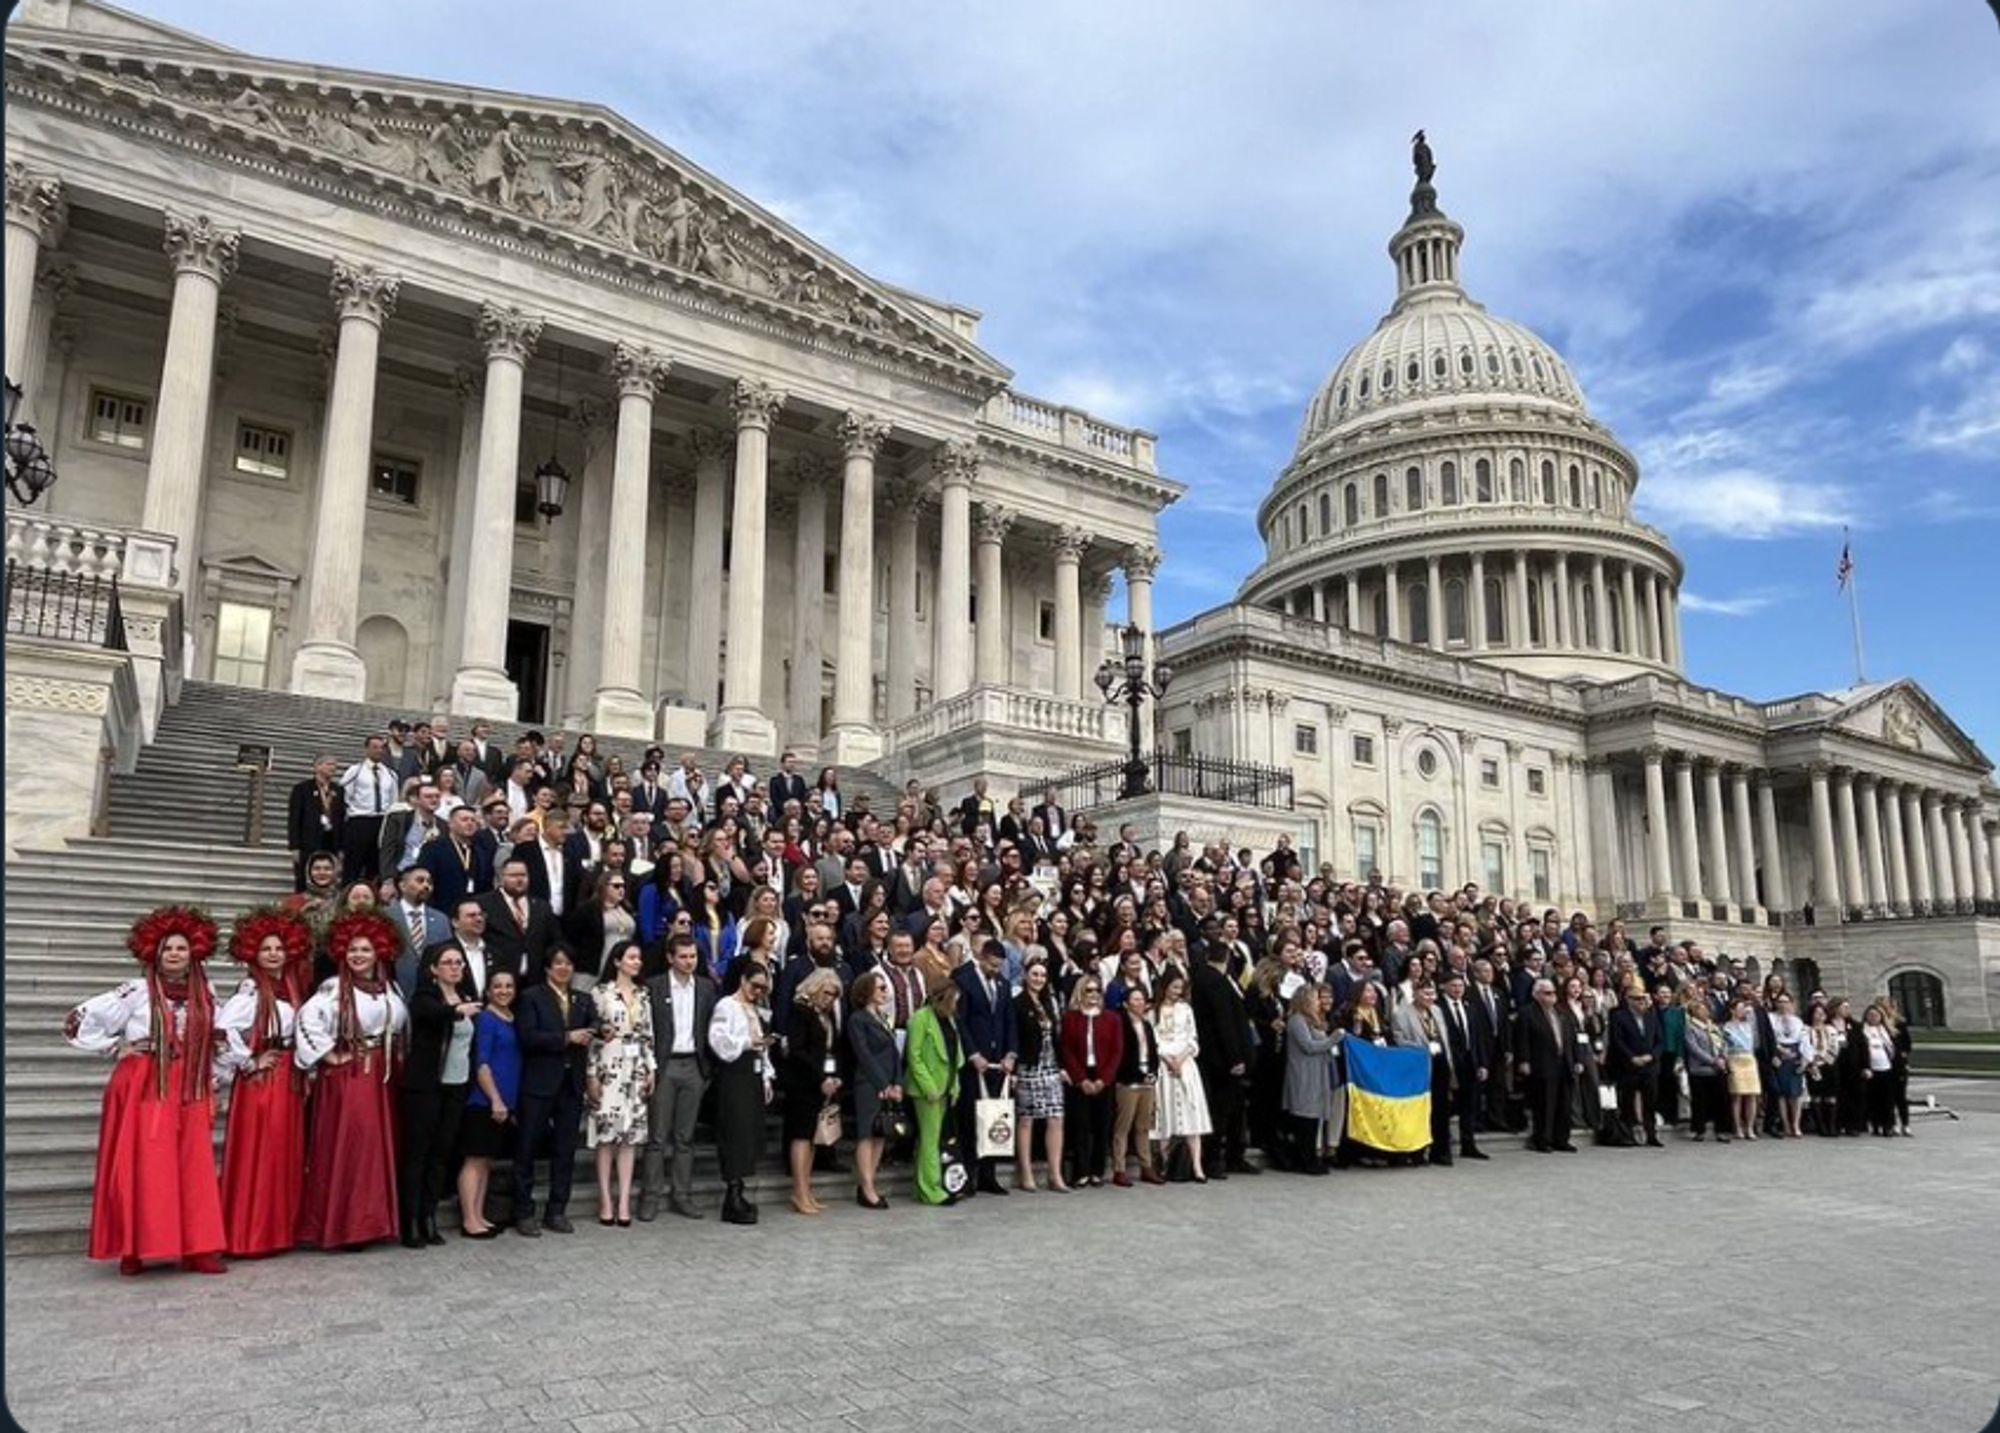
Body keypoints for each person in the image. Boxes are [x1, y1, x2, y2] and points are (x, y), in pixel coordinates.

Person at [65, 906, 228, 1275]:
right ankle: (133, 1248)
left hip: (189, 1084)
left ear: (194, 953)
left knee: (194, 1165)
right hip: (145, 1082)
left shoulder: (206, 991)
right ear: (155, 952)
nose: (174, 954)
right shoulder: (137, 991)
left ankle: (198, 1248)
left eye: (181, 948)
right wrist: (116, 1047)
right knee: (144, 1164)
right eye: (168, 948)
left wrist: (214, 1075)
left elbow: (217, 1037)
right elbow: (80, 1019)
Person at [295, 911, 409, 1250]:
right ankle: (347, 1225)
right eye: (353, 950)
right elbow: (307, 1020)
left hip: (382, 1077)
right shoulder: (333, 989)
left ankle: (374, 1222)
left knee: (376, 1148)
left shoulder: (390, 987)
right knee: (353, 1147)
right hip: (350, 1078)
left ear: (379, 954)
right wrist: (329, 1055)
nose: (358, 956)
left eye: (366, 950)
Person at [215, 906, 312, 1260]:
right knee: (261, 1151)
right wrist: (249, 1061)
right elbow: (220, 1033)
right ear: (254, 954)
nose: (274, 954)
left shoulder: (289, 989)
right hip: (263, 1080)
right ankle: (250, 1233)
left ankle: (277, 1229)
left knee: (283, 1152)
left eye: (279, 949)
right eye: (267, 949)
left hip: (287, 1075)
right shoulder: (251, 991)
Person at [399, 944, 480, 1248]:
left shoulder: (467, 998)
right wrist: (456, 1011)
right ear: (433, 969)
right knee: (418, 1154)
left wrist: (463, 1008)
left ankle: (430, 1216)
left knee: (441, 1154)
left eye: (458, 962)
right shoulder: (426, 997)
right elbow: (429, 1014)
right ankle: (410, 1222)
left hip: (456, 1086)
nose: (455, 967)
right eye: (447, 963)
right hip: (426, 1086)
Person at [511, 946, 595, 1236]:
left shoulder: (582, 999)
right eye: (558, 963)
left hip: (571, 1084)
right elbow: (528, 1037)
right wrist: (565, 1038)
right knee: (527, 1148)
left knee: (565, 1150)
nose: (564, 968)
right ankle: (523, 1211)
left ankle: (557, 1209)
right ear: (547, 968)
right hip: (539, 1082)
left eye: (569, 963)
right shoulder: (531, 997)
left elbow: (592, 1028)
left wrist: (598, 1032)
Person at [638, 933, 716, 1222]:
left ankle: (682, 1194)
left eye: (693, 956)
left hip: (693, 1065)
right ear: (670, 958)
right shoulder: (654, 987)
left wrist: (706, 1068)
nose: (688, 962)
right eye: (683, 956)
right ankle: (651, 1196)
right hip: (665, 1064)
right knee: (657, 1136)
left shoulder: (707, 988)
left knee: (685, 1137)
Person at [586, 940, 655, 1227]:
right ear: (617, 961)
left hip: (635, 1065)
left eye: (639, 957)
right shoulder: (600, 993)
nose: (637, 962)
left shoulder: (644, 994)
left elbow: (648, 1034)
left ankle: (624, 1199)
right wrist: (591, 1074)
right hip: (607, 1065)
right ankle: (605, 1199)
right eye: (631, 957)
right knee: (606, 1136)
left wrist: (651, 1068)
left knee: (629, 1136)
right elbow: (592, 1036)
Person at [708, 959, 775, 1225]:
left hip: (753, 1073)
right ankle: (732, 1192)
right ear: (743, 981)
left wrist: (767, 1078)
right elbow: (718, 1040)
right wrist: (748, 1042)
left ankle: (740, 1189)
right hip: (734, 1073)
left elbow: (763, 1048)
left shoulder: (755, 1009)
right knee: (734, 1132)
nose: (758, 992)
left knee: (748, 1133)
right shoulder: (727, 1005)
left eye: (763, 989)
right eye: (755, 986)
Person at [952, 939, 1019, 1198]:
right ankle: (968, 1175)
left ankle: (988, 1175)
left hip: (997, 1063)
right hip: (974, 1064)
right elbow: (960, 1021)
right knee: (970, 1121)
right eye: (992, 965)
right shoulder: (964, 980)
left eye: (999, 967)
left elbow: (1008, 1020)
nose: (996, 970)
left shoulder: (1002, 984)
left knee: (994, 1118)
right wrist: (972, 1054)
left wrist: (1011, 1053)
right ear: (982, 957)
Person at [457, 971, 521, 1239]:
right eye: (497, 986)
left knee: (485, 1162)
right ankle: (469, 1219)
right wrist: (494, 1098)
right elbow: (482, 1062)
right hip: (484, 1101)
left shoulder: (513, 1019)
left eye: (508, 986)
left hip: (505, 1103)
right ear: (488, 991)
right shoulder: (486, 1019)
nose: (504, 990)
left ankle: (479, 1214)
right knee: (474, 1160)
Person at [1189, 937, 1258, 1178]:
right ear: (1227, 958)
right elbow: (1224, 1022)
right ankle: (1217, 1159)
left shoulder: (1203, 979)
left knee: (1233, 1109)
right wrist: (1235, 1057)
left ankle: (1231, 1156)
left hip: (1215, 1056)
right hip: (1222, 1060)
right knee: (1222, 1109)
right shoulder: (1215, 981)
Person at [782, 968, 844, 1216]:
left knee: (813, 1136)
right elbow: (797, 1050)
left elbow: (832, 1048)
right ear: (815, 988)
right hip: (803, 1082)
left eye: (834, 995)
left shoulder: (827, 1015)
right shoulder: (800, 1012)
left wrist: (834, 1076)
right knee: (801, 1136)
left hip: (823, 1081)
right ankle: (799, 1191)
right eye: (827, 992)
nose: (830, 998)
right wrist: (820, 1078)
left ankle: (807, 1190)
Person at [1011, 958, 1071, 1193]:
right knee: (1026, 1120)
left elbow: (1057, 1038)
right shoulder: (1017, 1003)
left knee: (1056, 1118)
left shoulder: (1049, 1002)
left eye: (1042, 976)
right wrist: (1014, 1068)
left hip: (1051, 1066)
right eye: (1034, 974)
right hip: (1028, 1066)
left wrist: (1063, 1066)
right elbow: (1015, 1035)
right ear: (1026, 976)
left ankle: (1055, 1174)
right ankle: (1026, 1173)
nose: (1038, 979)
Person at [846, 970, 902, 1210]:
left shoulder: (882, 1016)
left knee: (880, 1133)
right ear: (866, 991)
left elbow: (895, 1051)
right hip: (869, 1083)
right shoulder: (858, 1019)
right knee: (867, 1134)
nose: (885, 992)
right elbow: (864, 1054)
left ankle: (871, 1181)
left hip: (888, 1081)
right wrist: (883, 1084)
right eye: (880, 988)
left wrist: (898, 1082)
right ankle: (866, 1185)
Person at [1059, 975, 1122, 1189]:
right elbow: (1066, 1050)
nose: (1094, 995)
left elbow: (1116, 1051)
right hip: (1080, 1076)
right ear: (1080, 992)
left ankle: (1097, 1171)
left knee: (1102, 1125)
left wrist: (1103, 1080)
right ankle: (1081, 1171)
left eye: (1097, 991)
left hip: (1104, 1076)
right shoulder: (1070, 1018)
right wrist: (1080, 1079)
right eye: (1089, 990)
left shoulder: (1112, 1019)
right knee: (1080, 1125)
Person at [906, 983, 963, 1206]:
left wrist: (954, 1084)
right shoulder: (921, 1018)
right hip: (928, 1091)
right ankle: (932, 1189)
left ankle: (923, 1186)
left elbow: (955, 1054)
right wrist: (928, 1087)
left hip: (946, 1086)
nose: (956, 1005)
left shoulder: (949, 1019)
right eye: (953, 1000)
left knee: (932, 1139)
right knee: (930, 1139)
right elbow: (914, 1055)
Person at [1152, 970, 1211, 1181]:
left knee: (1191, 1113)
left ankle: (1197, 1166)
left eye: (1181, 988)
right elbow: (1155, 1039)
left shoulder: (1185, 1009)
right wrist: (1168, 1060)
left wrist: (1182, 1058)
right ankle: (1164, 1163)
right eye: (1174, 987)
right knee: (1165, 1113)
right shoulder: (1155, 1010)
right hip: (1164, 1065)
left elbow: (1192, 1038)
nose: (1178, 992)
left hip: (1185, 1064)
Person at [1390, 980, 1457, 1166]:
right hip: (1417, 1065)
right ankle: (1416, 1151)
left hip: (1440, 1063)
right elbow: (1399, 1040)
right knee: (1418, 1110)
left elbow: (1444, 1037)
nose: (1430, 998)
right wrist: (1424, 1047)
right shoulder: (1401, 1013)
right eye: (1426, 994)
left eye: (1432, 994)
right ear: (1415, 993)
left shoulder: (1436, 1011)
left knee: (1441, 1108)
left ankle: (1440, 1151)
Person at [1281, 983, 1340, 1175]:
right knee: (1305, 1118)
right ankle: (1305, 1159)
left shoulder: (1313, 1020)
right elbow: (1308, 1046)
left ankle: (1312, 1157)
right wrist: (1332, 1039)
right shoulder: (1297, 1020)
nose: (1318, 1002)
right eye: (1315, 998)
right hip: (1303, 1074)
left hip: (1317, 1072)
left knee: (1314, 1119)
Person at [1516, 978, 1578, 1154]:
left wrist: (1576, 1060)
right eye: (1547, 993)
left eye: (1553, 993)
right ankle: (1542, 1139)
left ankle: (1562, 1139)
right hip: (1542, 1064)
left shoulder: (1561, 1012)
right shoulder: (1527, 1013)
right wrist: (1524, 1061)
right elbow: (1523, 1039)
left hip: (1563, 1063)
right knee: (1545, 1105)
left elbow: (1571, 1038)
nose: (1552, 997)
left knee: (1564, 1104)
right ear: (1536, 995)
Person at [1434, 969, 1491, 1160]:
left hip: (1470, 1062)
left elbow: (1478, 1037)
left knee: (1469, 1105)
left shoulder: (1470, 1006)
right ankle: (1442, 1147)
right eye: (1453, 985)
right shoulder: (1438, 1007)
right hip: (1449, 1063)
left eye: (1460, 985)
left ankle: (1469, 1144)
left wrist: (1482, 1063)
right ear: (1444, 987)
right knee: (1446, 1106)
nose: (1458, 989)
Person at [1110, 986, 1163, 1187]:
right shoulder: (1121, 1024)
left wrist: (1153, 1072)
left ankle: (1146, 1166)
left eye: (1142, 999)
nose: (1140, 1003)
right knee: (1123, 1126)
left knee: (1143, 1126)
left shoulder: (1147, 1025)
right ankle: (1119, 1168)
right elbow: (1121, 1054)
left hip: (1147, 1081)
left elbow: (1153, 1053)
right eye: (1135, 999)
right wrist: (1136, 1073)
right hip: (1128, 1081)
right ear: (1126, 1003)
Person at [1605, 979, 1666, 1147]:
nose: (1641, 1002)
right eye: (1637, 999)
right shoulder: (1619, 1016)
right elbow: (1617, 1041)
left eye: (1642, 998)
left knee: (1650, 1102)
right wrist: (1631, 1057)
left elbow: (1660, 1041)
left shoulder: (1651, 1016)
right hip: (1629, 1065)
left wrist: (1652, 1056)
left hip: (1649, 1066)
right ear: (1629, 1000)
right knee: (1628, 1102)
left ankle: (1651, 1134)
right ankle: (1628, 1134)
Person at [338, 735, 399, 884]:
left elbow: (393, 799)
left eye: (381, 748)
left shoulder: (390, 774)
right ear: (367, 749)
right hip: (360, 820)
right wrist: (352, 811)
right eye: (375, 747)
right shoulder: (355, 770)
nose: (379, 751)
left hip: (381, 821)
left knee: (376, 863)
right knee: (354, 863)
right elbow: (345, 793)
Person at [287, 755, 345, 892]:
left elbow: (341, 818)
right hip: (309, 840)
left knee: (330, 875)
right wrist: (294, 846)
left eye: (334, 765)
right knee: (304, 876)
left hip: (331, 839)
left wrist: (342, 847)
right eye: (329, 764)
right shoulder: (302, 789)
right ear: (317, 767)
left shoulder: (338, 790)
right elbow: (294, 818)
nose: (333, 768)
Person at [1681, 988, 1730, 1143]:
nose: (1704, 1012)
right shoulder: (1690, 1028)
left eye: (1705, 1009)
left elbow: (1723, 1043)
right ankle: (1699, 1130)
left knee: (1720, 1100)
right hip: (1700, 1069)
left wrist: (1723, 1057)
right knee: (1700, 1101)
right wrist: (1712, 1060)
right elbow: (1694, 1049)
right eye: (1700, 1010)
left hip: (1718, 1069)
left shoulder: (1713, 1027)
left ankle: (1721, 1130)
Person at [1767, 992, 1810, 1138]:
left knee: (1795, 1093)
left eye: (1786, 1002)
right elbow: (1769, 1038)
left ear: (1791, 1004)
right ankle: (1785, 1124)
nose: (1783, 1005)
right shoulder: (1771, 1019)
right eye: (1780, 1001)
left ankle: (1796, 1124)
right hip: (1779, 1055)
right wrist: (1778, 1051)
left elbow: (1804, 1040)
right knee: (1782, 1094)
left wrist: (1805, 1059)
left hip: (1795, 1055)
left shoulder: (1797, 1021)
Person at [1722, 996, 1762, 1141]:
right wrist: (1726, 1061)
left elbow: (1755, 1043)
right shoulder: (1727, 1027)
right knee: (1737, 1095)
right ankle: (1738, 1127)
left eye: (1743, 1009)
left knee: (1752, 1094)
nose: (1742, 1011)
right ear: (1732, 1010)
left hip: (1749, 1059)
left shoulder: (1749, 1026)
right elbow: (1725, 1046)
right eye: (1739, 1008)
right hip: (1735, 1059)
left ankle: (1750, 1128)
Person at [1858, 1004, 1901, 1137]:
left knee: (1887, 1099)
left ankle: (1888, 1125)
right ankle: (1876, 1124)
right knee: (1873, 1098)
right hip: (1871, 1069)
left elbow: (1894, 1049)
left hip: (1886, 1067)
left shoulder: (1886, 1031)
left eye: (1876, 1015)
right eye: (1870, 1015)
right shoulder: (1862, 1031)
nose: (1873, 1018)